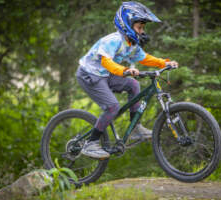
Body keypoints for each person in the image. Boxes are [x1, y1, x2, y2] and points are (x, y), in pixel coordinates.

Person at [76, 1, 178, 159]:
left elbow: (145, 58)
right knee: (112, 106)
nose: (142, 31)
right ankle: (91, 143)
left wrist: (164, 63)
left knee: (133, 84)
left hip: (105, 74)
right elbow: (106, 62)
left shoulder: (132, 44)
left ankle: (136, 129)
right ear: (127, 25)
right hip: (89, 74)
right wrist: (125, 70)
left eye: (143, 28)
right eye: (140, 27)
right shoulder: (114, 40)